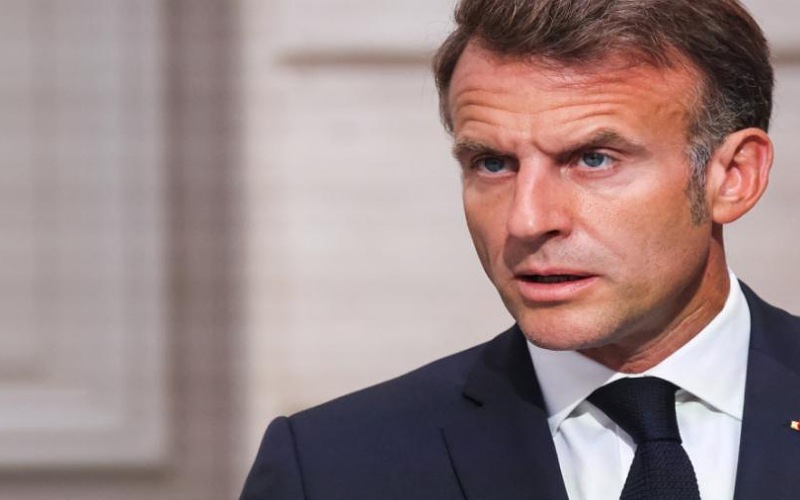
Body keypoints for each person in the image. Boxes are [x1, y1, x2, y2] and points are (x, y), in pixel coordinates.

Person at [241, 0, 800, 498]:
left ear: (733, 177)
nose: (527, 220)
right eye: (493, 164)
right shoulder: (331, 469)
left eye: (593, 159)